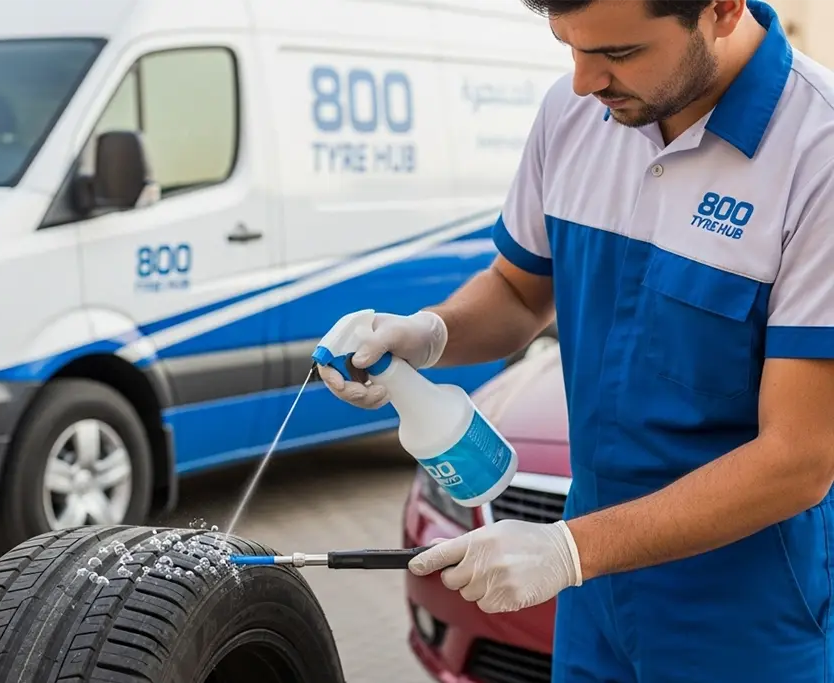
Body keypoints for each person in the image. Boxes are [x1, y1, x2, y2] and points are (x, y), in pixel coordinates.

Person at [317, 0, 834, 680]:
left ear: (723, 9)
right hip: (593, 599)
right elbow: (518, 290)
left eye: (618, 54)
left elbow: (799, 458)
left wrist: (567, 550)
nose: (585, 81)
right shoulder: (573, 113)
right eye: (568, 45)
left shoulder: (817, 155)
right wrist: (428, 334)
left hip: (746, 609)